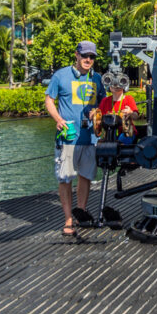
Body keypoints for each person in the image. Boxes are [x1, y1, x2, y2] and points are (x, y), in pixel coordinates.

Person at [45, 40, 106, 237]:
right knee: (65, 178)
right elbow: (49, 100)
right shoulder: (60, 75)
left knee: (86, 176)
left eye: (92, 57)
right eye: (85, 55)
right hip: (68, 137)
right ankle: (68, 219)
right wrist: (58, 118)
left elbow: (104, 103)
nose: (88, 59)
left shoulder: (97, 78)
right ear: (76, 55)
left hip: (90, 137)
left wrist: (98, 113)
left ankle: (81, 212)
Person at [97, 79, 140, 144]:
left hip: (126, 133)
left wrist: (130, 113)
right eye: (114, 84)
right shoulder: (105, 101)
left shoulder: (128, 99)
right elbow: (98, 118)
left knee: (121, 141)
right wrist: (94, 115)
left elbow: (136, 115)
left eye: (119, 84)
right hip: (109, 133)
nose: (116, 87)